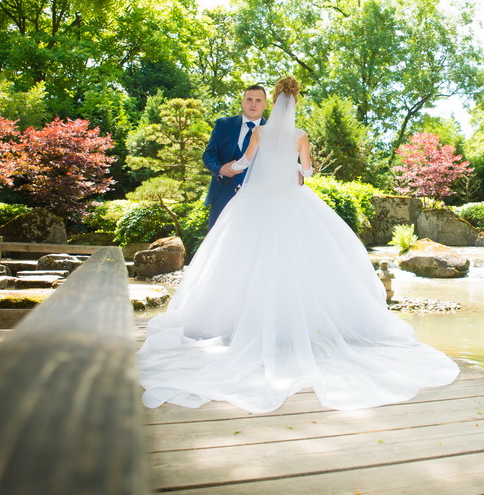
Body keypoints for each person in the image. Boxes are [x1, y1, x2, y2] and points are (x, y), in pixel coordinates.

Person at [138, 77, 459, 413]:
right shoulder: (300, 136)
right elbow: (307, 170)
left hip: (254, 202)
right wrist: (293, 169)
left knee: (242, 261)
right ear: (296, 102)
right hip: (292, 201)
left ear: (272, 102)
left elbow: (246, 164)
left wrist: (236, 169)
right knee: (299, 261)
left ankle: (237, 322)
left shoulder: (260, 133)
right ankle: (293, 325)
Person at [202, 84, 268, 230]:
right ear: (242, 101)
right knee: (216, 244)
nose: (253, 104)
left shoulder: (273, 131)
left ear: (265, 105)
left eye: (258, 100)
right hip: (222, 197)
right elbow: (208, 155)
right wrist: (220, 169)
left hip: (258, 200)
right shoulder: (223, 124)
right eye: (249, 99)